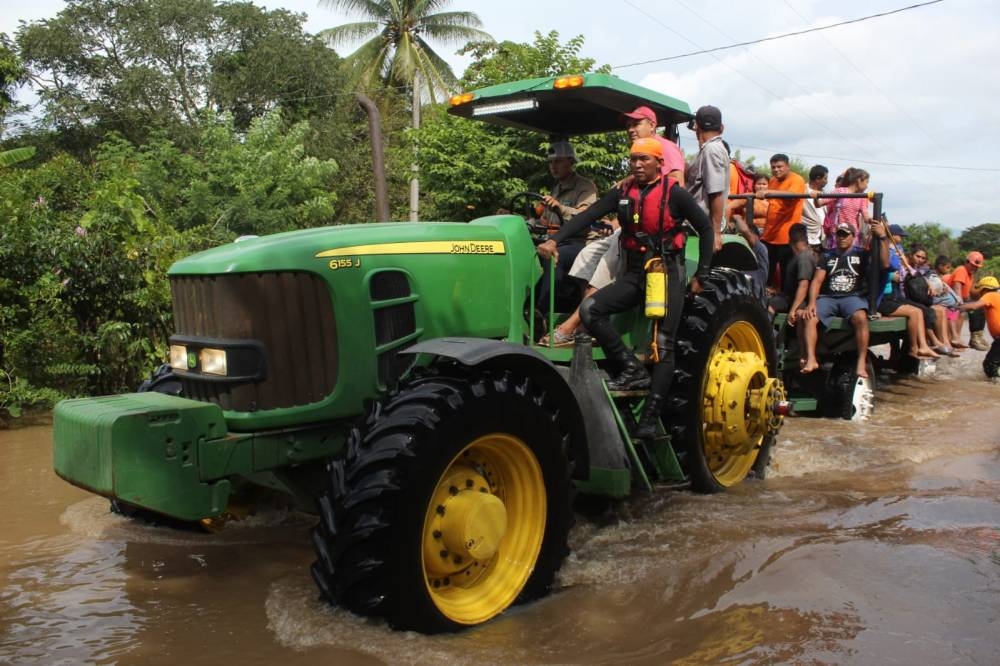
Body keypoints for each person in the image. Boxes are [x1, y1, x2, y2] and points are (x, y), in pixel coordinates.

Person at [537, 137, 714, 439]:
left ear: (659, 163)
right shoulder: (623, 191)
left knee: (664, 345)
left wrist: (704, 274)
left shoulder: (676, 194)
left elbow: (707, 228)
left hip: (666, 273)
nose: (637, 165)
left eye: (644, 159)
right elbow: (587, 216)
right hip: (634, 272)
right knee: (591, 310)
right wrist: (555, 239)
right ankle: (632, 370)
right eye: (634, 159)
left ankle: (648, 421)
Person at [540, 106, 687, 346]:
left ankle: (571, 327)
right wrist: (616, 219)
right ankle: (586, 323)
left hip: (652, 235)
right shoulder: (636, 156)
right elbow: (622, 204)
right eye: (628, 125)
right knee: (586, 256)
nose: (630, 129)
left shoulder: (665, 148)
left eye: (636, 123)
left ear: (652, 124)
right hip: (627, 227)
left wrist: (636, 181)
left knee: (606, 263)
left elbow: (673, 185)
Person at [800, 222, 890, 378]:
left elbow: (885, 263)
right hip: (829, 297)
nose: (841, 238)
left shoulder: (861, 254)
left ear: (853, 237)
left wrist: (883, 237)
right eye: (839, 234)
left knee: (860, 318)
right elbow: (817, 281)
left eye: (845, 234)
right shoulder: (827, 255)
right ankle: (811, 358)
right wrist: (812, 302)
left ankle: (861, 362)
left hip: (852, 296)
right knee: (809, 317)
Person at [534, 141, 597, 312]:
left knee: (553, 256)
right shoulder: (556, 189)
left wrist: (560, 207)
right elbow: (544, 222)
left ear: (570, 162)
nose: (553, 166)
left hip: (581, 243)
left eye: (558, 161)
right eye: (551, 162)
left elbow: (585, 217)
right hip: (557, 240)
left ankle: (543, 312)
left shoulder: (585, 186)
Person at [685, 105, 729, 252]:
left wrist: (715, 232)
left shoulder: (712, 150)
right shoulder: (710, 149)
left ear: (696, 127)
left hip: (699, 226)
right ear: (721, 128)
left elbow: (716, 192)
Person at [760, 153, 807, 290]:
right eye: (773, 167)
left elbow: (792, 195)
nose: (776, 170)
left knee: (787, 273)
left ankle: (786, 302)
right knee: (766, 269)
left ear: (788, 166)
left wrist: (768, 192)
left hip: (786, 236)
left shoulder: (796, 179)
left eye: (779, 166)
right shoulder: (773, 180)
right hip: (770, 234)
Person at [820, 167, 873, 248]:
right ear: (859, 180)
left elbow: (866, 216)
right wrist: (816, 197)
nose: (867, 186)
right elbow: (820, 203)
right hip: (837, 233)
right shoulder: (840, 191)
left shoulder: (862, 197)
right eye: (866, 182)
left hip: (852, 235)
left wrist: (871, 220)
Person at [960, 276, 1000, 380]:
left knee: (989, 365)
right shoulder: (997, 296)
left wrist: (957, 307)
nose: (979, 294)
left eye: (980, 291)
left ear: (985, 289)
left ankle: (994, 386)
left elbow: (974, 306)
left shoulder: (990, 295)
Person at [951, 251, 989, 351]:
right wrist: (961, 305)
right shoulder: (961, 270)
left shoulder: (970, 274)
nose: (975, 268)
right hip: (949, 302)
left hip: (959, 300)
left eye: (977, 267)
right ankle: (956, 340)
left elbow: (971, 293)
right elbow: (957, 288)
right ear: (967, 262)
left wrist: (986, 291)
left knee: (980, 307)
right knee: (963, 312)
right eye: (973, 265)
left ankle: (977, 337)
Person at [801, 164, 829, 250]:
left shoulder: (824, 194)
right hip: (807, 236)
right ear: (817, 179)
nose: (827, 181)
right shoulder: (801, 191)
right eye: (825, 178)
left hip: (821, 238)